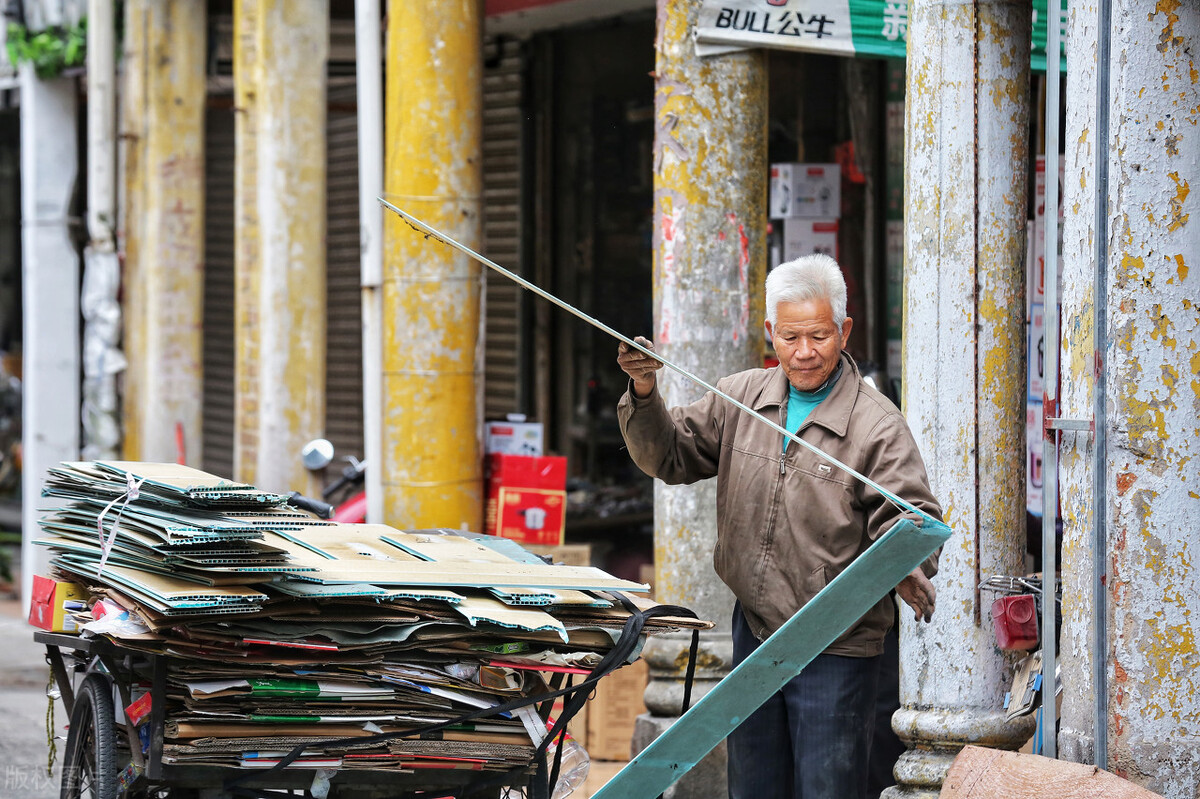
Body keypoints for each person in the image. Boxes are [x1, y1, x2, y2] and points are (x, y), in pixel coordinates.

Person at [615, 254, 942, 799]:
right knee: (755, 786)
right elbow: (670, 456)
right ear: (771, 333)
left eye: (819, 335)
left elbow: (910, 515)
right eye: (791, 336)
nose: (805, 351)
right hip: (758, 630)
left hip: (836, 643)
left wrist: (900, 563)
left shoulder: (876, 424)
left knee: (827, 788)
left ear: (845, 331)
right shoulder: (741, 396)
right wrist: (645, 392)